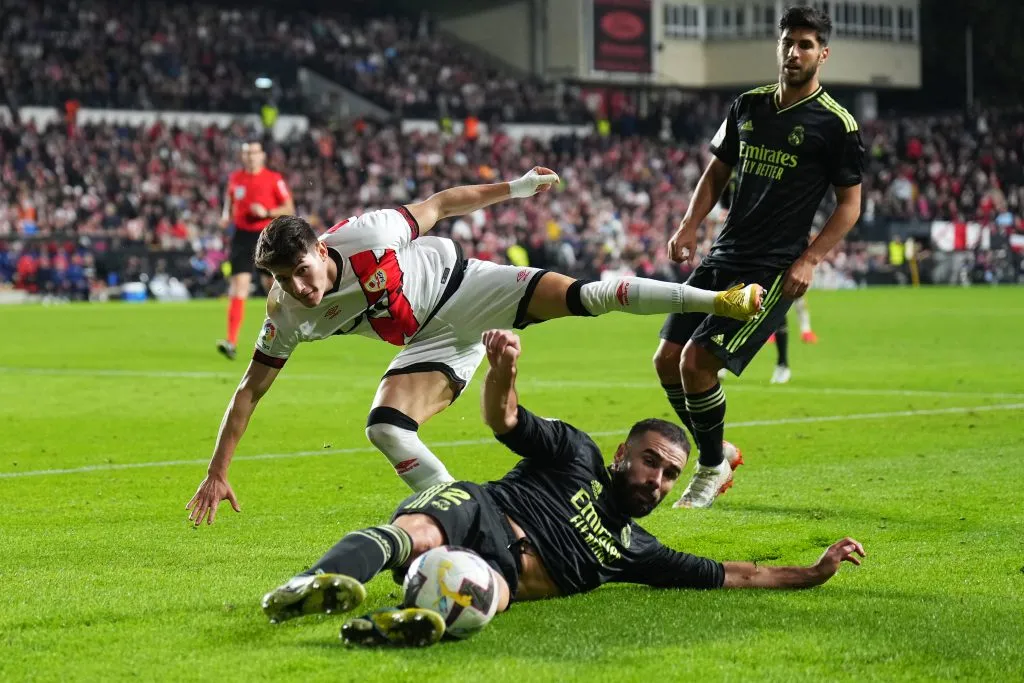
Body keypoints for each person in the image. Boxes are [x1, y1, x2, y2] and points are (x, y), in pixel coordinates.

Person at [186, 167, 764, 525]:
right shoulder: (283, 313)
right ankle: (463, 515)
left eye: (302, 271)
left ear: (321, 247)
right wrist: (217, 471)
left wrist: (516, 188)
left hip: (466, 287)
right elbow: (249, 391)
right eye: (283, 279)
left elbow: (440, 204)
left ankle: (716, 300)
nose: (298, 287)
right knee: (385, 427)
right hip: (429, 341)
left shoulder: (369, 235)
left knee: (588, 296)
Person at [259, 329, 866, 647]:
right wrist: (505, 372)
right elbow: (505, 421)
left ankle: (401, 626)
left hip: (497, 570)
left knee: (485, 594)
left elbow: (739, 574)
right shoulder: (575, 454)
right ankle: (319, 581)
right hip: (479, 510)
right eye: (651, 463)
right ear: (623, 455)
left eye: (670, 476)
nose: (657, 482)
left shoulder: (638, 552)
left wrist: (813, 572)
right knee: (419, 528)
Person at [652, 6, 864, 508]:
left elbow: (850, 205)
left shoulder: (837, 125)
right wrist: (688, 224)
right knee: (665, 361)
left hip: (772, 268)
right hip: (724, 252)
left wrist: (809, 260)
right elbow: (716, 173)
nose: (794, 52)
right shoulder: (747, 105)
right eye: (788, 42)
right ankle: (717, 448)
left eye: (806, 44)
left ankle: (708, 468)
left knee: (697, 362)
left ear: (823, 54)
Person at [217, 140, 295, 361]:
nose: (250, 156)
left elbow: (289, 208)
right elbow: (229, 202)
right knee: (238, 286)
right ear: (243, 156)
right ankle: (231, 341)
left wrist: (267, 211)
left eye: (254, 152)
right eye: (247, 153)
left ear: (262, 156)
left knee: (273, 287)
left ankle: (285, 333)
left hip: (267, 235)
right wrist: (226, 217)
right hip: (242, 237)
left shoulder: (273, 179)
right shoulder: (235, 179)